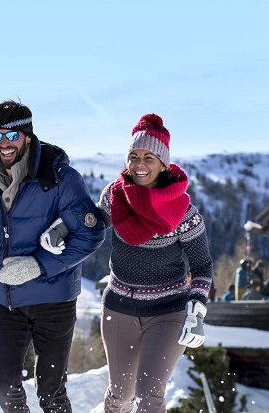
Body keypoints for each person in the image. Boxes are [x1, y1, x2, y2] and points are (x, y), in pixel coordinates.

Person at [44, 113, 213, 413]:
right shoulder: (115, 196)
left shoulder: (184, 213)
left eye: (148, 157)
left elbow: (202, 268)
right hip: (119, 308)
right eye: (133, 156)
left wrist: (196, 311)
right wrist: (63, 227)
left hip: (168, 312)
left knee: (150, 394)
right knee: (121, 396)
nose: (139, 164)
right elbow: (93, 220)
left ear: (163, 163)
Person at [0, 100, 105, 413]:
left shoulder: (59, 176)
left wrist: (38, 266)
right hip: (6, 298)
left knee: (51, 393)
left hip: (54, 300)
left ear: (27, 135)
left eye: (12, 136)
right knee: (3, 385)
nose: (4, 144)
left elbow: (91, 233)